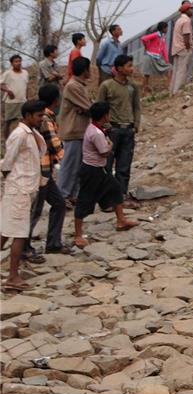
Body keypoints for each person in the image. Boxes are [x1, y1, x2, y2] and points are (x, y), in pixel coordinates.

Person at [73, 101, 138, 248]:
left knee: (115, 189)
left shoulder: (95, 129)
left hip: (100, 169)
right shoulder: (96, 133)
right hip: (92, 170)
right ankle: (78, 234)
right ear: (105, 115)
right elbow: (104, 152)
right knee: (85, 199)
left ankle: (121, 220)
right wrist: (111, 145)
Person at [1, 100, 47, 291]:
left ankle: (13, 274)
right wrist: (14, 180)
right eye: (38, 116)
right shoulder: (20, 134)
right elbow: (8, 162)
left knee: (5, 231)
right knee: (18, 234)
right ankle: (13, 276)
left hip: (26, 188)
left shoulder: (32, 133)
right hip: (19, 189)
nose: (41, 119)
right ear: (28, 116)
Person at [27, 84, 71, 257]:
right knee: (36, 210)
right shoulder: (45, 118)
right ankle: (24, 247)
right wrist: (65, 154)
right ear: (55, 100)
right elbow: (54, 144)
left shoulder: (44, 116)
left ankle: (53, 243)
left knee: (59, 204)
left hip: (46, 170)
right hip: (41, 172)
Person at [97, 54, 142, 201]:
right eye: (129, 66)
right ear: (119, 68)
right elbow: (99, 107)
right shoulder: (106, 86)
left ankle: (120, 196)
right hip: (112, 131)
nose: (132, 68)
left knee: (124, 166)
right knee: (107, 166)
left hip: (128, 130)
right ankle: (106, 197)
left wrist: (136, 124)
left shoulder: (132, 86)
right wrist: (106, 126)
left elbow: (137, 106)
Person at [57, 56, 93, 205]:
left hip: (80, 130)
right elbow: (88, 107)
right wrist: (87, 109)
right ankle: (63, 196)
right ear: (85, 70)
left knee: (78, 165)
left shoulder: (80, 85)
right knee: (69, 165)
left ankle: (73, 194)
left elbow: (86, 107)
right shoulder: (73, 86)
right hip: (73, 131)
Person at [1, 54, 30, 144]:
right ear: (12, 63)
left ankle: (22, 140)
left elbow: (27, 86)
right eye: (16, 61)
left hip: (23, 101)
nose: (18, 63)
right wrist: (8, 91)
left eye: (20, 61)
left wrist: (27, 98)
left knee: (23, 121)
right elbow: (1, 84)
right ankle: (6, 141)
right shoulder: (8, 73)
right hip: (11, 101)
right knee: (8, 122)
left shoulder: (25, 73)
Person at [139, 21, 172, 97]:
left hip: (157, 57)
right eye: (166, 28)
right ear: (163, 28)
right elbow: (143, 39)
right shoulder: (156, 35)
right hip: (149, 56)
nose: (167, 29)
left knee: (169, 68)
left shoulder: (162, 37)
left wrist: (167, 60)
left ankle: (169, 87)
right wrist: (147, 47)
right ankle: (144, 92)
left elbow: (164, 49)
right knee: (146, 75)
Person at [170, 2, 193, 94]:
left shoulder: (178, 21)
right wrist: (188, 48)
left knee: (176, 71)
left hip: (176, 49)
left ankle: (172, 91)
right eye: (191, 9)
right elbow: (186, 36)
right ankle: (177, 91)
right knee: (182, 71)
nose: (192, 10)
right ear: (187, 10)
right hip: (183, 49)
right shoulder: (186, 21)